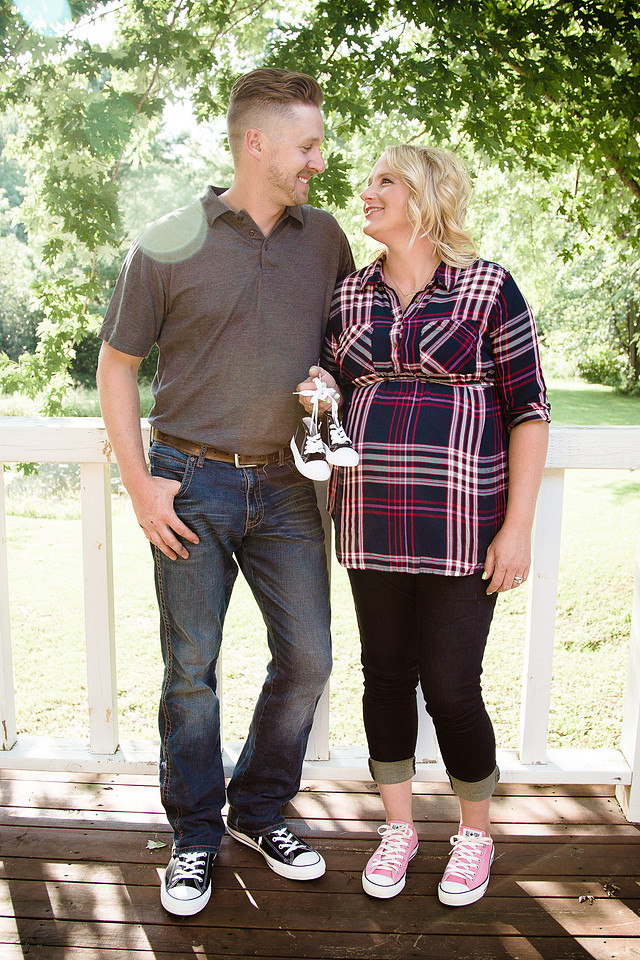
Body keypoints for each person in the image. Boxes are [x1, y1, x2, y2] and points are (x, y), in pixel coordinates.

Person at [96, 67, 354, 917]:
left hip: (287, 487)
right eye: (307, 145)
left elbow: (344, 350)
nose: (319, 160)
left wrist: (332, 383)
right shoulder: (167, 239)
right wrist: (141, 485)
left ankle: (258, 809)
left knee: (309, 658)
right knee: (191, 672)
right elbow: (117, 366)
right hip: (189, 483)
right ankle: (195, 836)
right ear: (256, 142)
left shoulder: (326, 239)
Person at [297, 144, 550, 906]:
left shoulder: (489, 287)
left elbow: (529, 411)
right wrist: (321, 387)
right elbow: (334, 391)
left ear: (426, 196)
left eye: (385, 181)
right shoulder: (349, 295)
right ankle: (399, 828)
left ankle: (474, 834)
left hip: (463, 528)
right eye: (369, 181)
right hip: (369, 523)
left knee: (452, 685)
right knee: (384, 677)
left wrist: (517, 527)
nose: (366, 192)